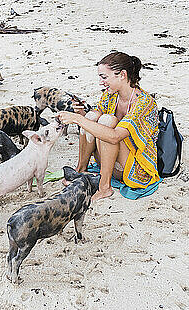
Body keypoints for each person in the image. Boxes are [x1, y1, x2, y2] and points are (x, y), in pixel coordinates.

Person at [57, 51, 160, 200]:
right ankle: (81, 170)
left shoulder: (144, 102)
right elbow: (93, 125)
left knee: (107, 121)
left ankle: (105, 187)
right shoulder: (111, 94)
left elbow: (115, 136)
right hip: (108, 159)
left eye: (104, 77)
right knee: (93, 116)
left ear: (122, 75)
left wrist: (77, 120)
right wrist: (81, 114)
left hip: (133, 168)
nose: (101, 82)